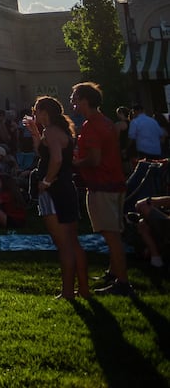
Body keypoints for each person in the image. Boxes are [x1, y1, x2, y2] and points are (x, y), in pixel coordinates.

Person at [23, 95, 90, 300]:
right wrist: (35, 133)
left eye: (36, 111)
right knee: (73, 242)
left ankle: (68, 292)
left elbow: (57, 160)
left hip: (54, 191)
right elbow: (46, 155)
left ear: (44, 112)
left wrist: (47, 181)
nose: (34, 114)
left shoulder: (52, 131)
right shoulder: (58, 131)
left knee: (64, 245)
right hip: (66, 188)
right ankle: (84, 290)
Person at [70, 82, 132, 295]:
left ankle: (123, 283)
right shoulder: (105, 121)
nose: (72, 102)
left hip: (102, 184)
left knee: (110, 234)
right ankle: (114, 272)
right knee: (114, 231)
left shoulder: (92, 125)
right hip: (114, 182)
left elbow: (94, 159)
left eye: (75, 98)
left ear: (85, 100)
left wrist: (75, 163)